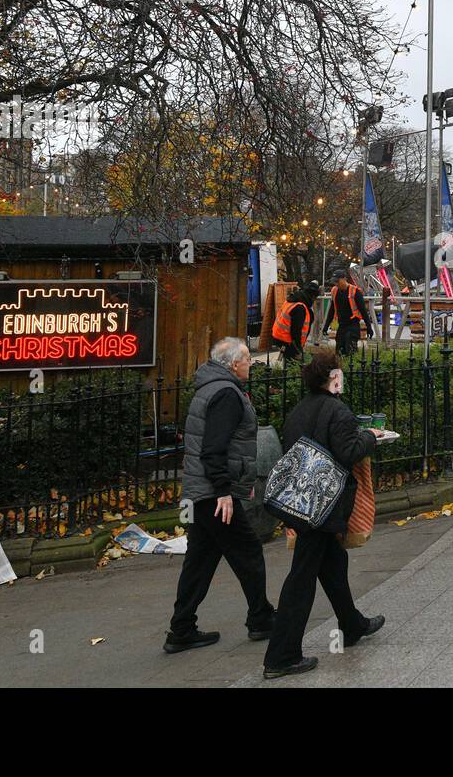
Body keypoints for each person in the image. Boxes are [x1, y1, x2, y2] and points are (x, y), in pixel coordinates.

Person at [262, 351, 385, 678]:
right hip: (324, 506)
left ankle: (352, 624)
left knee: (333, 564)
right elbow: (348, 453)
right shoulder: (338, 412)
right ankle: (281, 657)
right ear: (333, 378)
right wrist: (371, 437)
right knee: (301, 580)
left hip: (302, 504)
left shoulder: (298, 411)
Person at [166, 338, 276, 654]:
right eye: (246, 359)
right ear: (232, 364)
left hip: (202, 493)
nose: (250, 364)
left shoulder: (210, 387)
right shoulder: (226, 394)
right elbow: (214, 448)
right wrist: (224, 492)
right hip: (213, 494)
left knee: (200, 561)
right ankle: (261, 619)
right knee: (249, 552)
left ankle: (181, 629)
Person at [328, 270, 373, 356]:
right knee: (339, 350)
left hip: (353, 325)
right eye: (335, 282)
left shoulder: (355, 291)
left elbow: (363, 311)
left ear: (344, 279)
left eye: (338, 281)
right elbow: (332, 310)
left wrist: (369, 327)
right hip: (341, 325)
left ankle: (352, 368)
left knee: (350, 348)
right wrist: (326, 326)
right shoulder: (334, 291)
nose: (336, 284)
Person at [269, 284, 319, 362]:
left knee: (288, 361)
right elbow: (296, 330)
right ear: (312, 297)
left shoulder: (292, 301)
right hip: (287, 340)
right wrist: (298, 348)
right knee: (294, 363)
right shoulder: (300, 308)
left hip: (279, 337)